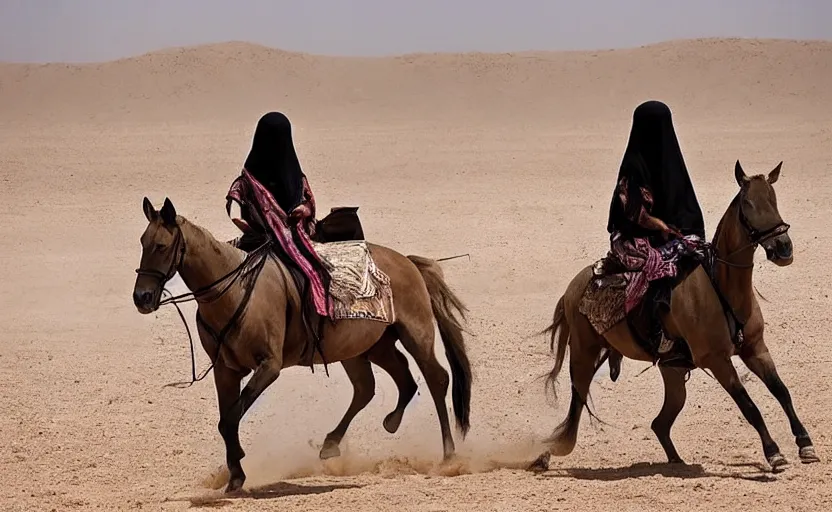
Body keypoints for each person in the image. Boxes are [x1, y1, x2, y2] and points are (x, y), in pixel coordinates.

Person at [225, 111, 365, 334]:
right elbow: (235, 208)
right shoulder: (248, 178)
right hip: (258, 240)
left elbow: (308, 203)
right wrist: (248, 226)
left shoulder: (294, 174)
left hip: (296, 238)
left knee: (315, 273)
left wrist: (304, 210)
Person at [603, 100, 709, 373]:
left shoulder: (669, 159)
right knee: (659, 266)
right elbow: (634, 212)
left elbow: (683, 200)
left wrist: (686, 228)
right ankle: (657, 331)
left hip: (667, 235)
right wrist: (661, 227)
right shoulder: (633, 166)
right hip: (633, 238)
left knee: (700, 252)